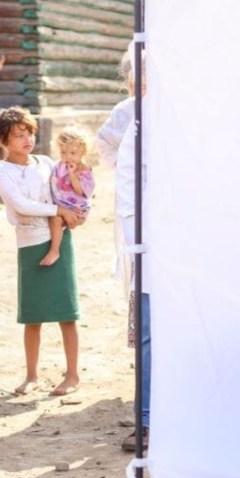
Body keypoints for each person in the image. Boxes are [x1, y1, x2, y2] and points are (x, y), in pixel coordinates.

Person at [0, 107, 83, 397]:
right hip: (29, 242)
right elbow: (21, 205)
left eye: (29, 133)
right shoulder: (0, 170)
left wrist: (73, 212)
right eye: (18, 135)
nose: (27, 139)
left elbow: (66, 192)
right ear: (4, 140)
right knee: (32, 315)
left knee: (67, 313)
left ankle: (72, 375)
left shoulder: (46, 162)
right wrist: (59, 210)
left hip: (59, 239)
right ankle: (32, 375)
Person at [98, 49, 151, 451]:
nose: (140, 82)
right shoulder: (127, 112)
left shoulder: (175, 114)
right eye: (135, 77)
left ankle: (154, 415)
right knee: (146, 324)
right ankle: (146, 416)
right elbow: (106, 150)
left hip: (168, 230)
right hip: (136, 227)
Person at [42, 126, 95, 267]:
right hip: (62, 207)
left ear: (83, 151)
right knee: (54, 219)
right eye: (63, 152)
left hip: (77, 210)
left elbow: (80, 191)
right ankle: (54, 249)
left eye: (72, 152)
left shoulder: (84, 170)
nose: (68, 156)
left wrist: (72, 174)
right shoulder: (59, 165)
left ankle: (54, 251)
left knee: (55, 219)